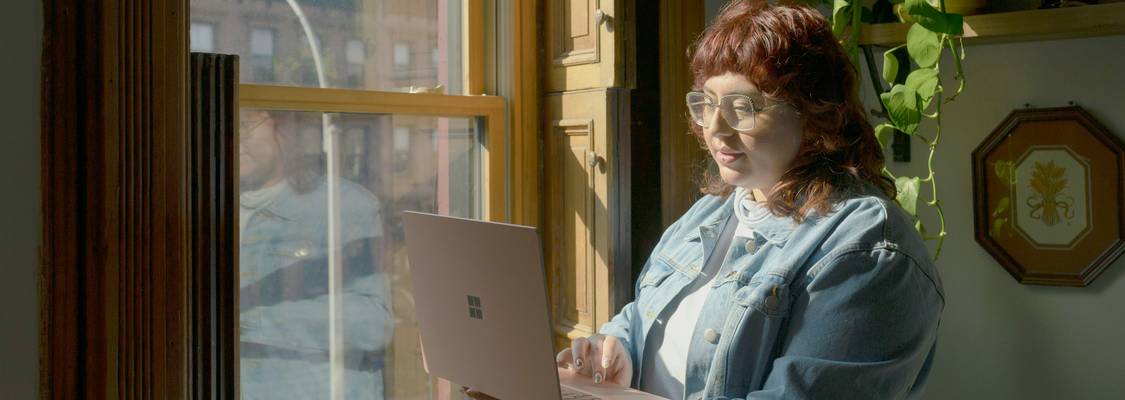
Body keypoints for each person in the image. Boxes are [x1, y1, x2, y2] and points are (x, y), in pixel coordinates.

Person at [553, 2, 944, 399]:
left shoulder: (868, 250)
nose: (715, 129)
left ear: (813, 113)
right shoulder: (714, 211)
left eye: (742, 107)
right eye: (707, 103)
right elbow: (642, 314)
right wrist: (617, 348)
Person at [238, 109, 395, 400]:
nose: (233, 137)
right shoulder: (197, 207)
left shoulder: (342, 206)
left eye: (244, 123)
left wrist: (254, 320)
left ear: (282, 128)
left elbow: (372, 325)